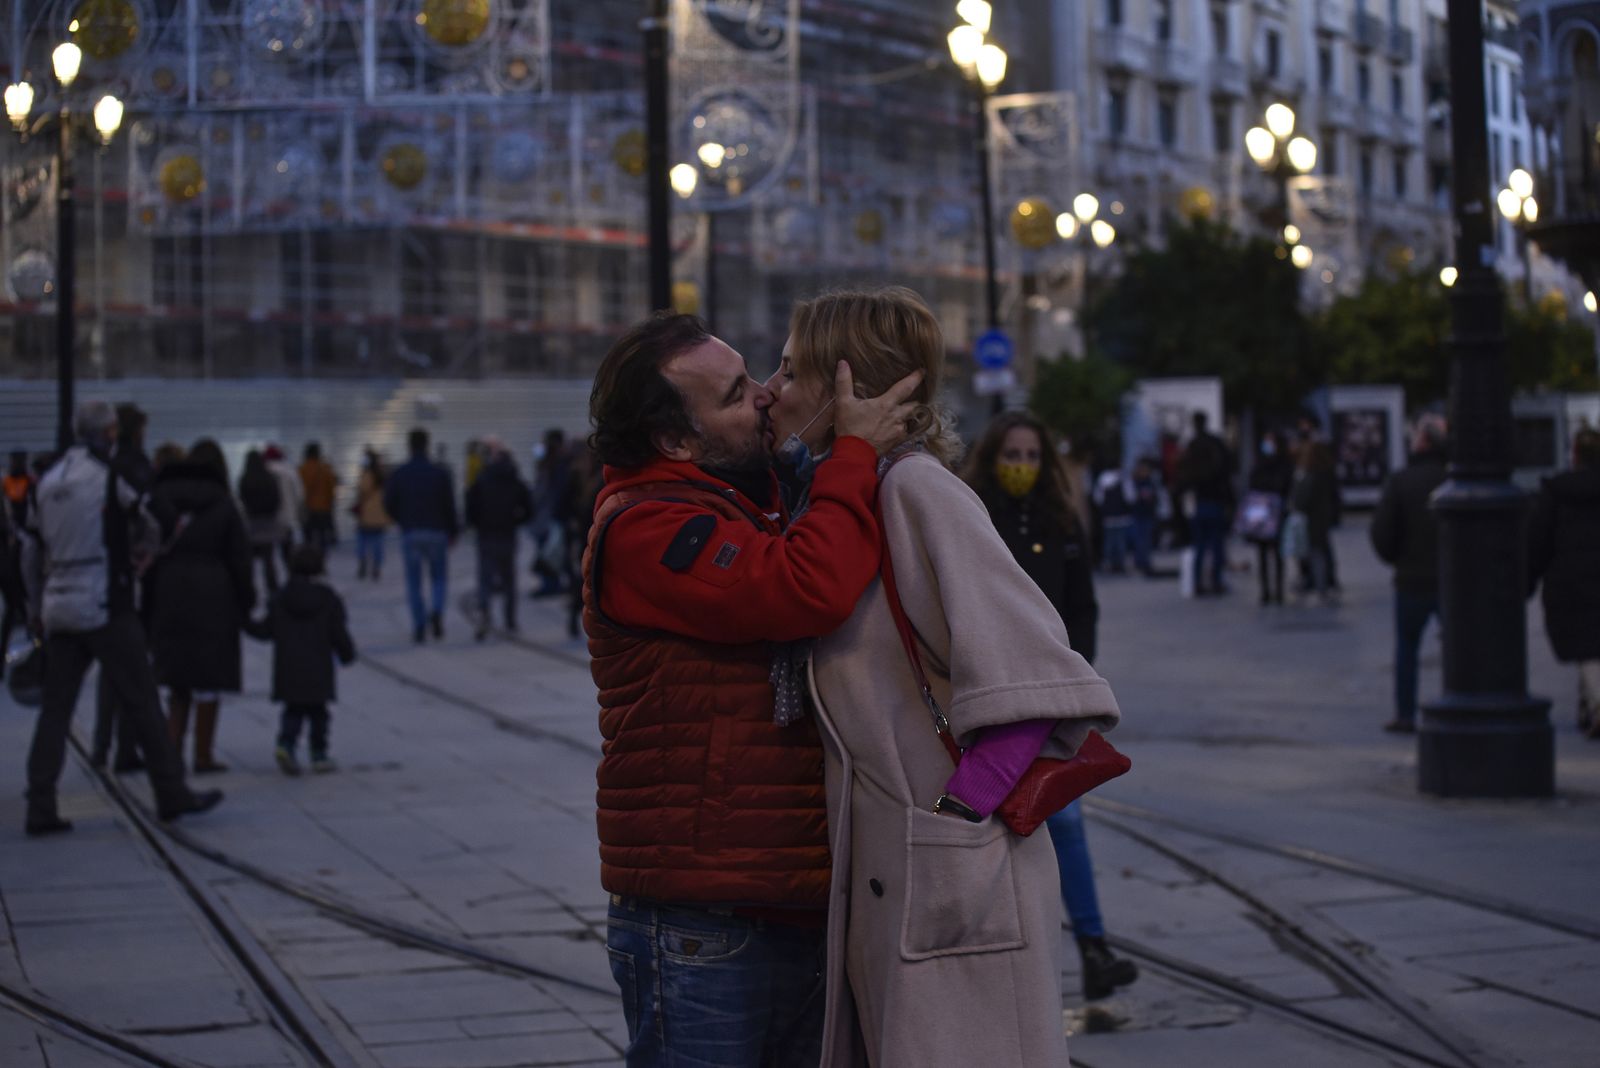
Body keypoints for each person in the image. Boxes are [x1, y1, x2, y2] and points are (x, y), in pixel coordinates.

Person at [769, 288, 1121, 1067]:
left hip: (947, 871)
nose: (773, 388)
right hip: (898, 874)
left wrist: (959, 813)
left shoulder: (917, 491)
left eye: (791, 370)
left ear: (845, 386)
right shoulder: (855, 489)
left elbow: (1038, 676)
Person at [584, 310, 921, 1067]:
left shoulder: (751, 496)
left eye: (761, 373)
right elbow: (806, 587)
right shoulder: (648, 530)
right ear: (676, 441)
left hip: (791, 899)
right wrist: (854, 456)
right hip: (705, 920)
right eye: (736, 393)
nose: (767, 395)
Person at [962, 410, 1139, 1002]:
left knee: (1062, 818)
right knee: (997, 822)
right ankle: (1035, 954)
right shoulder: (972, 514)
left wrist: (1074, 672)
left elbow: (1083, 603)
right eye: (1012, 454)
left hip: (1051, 695)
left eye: (1032, 456)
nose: (1022, 466)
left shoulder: (1062, 520)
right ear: (993, 456)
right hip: (991, 691)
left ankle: (1091, 947)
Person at [19, 400, 223, 836]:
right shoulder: (109, 477)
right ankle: (171, 792)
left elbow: (31, 550)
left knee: (55, 710)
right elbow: (156, 520)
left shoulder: (48, 480)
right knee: (142, 701)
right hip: (105, 600)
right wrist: (143, 556)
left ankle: (40, 803)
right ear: (110, 433)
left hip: (59, 604)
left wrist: (36, 607)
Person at [145, 439, 255, 773]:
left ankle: (171, 751)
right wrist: (245, 600)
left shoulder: (160, 498)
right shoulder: (223, 503)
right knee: (209, 680)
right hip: (214, 594)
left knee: (177, 682)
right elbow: (240, 557)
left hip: (169, 591)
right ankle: (203, 754)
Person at [246, 544, 356, 775]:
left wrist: (244, 622)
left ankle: (286, 744)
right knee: (319, 713)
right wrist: (347, 654)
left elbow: (266, 630)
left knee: (292, 710)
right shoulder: (328, 598)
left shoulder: (281, 598)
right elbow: (338, 632)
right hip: (319, 667)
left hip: (288, 666)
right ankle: (319, 753)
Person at [1369, 415, 1448, 734]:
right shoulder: (1452, 478)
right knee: (1455, 645)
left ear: (1423, 443)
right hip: (1449, 580)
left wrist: (1397, 559)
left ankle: (1405, 712)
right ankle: (1456, 698)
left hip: (1411, 578)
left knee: (1407, 647)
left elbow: (1382, 531)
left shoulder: (1402, 481)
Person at [1527, 427, 1600, 737]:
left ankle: (1594, 705)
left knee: (1586, 647)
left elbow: (1539, 541)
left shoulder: (1558, 492)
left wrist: (1528, 578)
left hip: (1571, 583)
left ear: (1574, 456)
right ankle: (1589, 706)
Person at [384, 428, 458, 643]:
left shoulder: (400, 473)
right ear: (427, 444)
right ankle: (436, 610)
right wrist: (453, 530)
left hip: (411, 531)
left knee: (414, 582)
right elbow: (449, 505)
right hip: (437, 531)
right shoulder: (439, 472)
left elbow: (389, 503)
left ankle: (418, 625)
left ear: (409, 445)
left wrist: (402, 519)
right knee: (439, 577)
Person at [464, 437, 533, 639]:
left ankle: (485, 614)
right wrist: (517, 520)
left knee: (485, 578)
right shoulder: (515, 480)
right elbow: (529, 508)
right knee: (509, 579)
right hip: (507, 534)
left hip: (486, 535)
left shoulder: (482, 479)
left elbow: (470, 507)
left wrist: (476, 524)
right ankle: (510, 619)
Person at [1178, 410, 1234, 595]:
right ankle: (1215, 581)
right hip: (1214, 500)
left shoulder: (1193, 446)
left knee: (1201, 545)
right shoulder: (1213, 444)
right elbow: (1226, 472)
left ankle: (1198, 582)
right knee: (1215, 544)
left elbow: (1184, 476)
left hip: (1201, 500)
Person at [1244, 430, 1294, 606]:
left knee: (1275, 553)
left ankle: (1277, 590)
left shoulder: (1282, 464)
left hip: (1275, 512)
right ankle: (1266, 590)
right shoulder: (1262, 463)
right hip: (1263, 512)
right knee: (1264, 553)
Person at [1288, 439, 1339, 605]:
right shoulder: (1327, 472)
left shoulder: (1308, 475)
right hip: (1322, 519)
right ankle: (1323, 584)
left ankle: (1318, 585)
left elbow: (1302, 499)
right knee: (1321, 552)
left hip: (1310, 520)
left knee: (1313, 554)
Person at [238, 449, 283, 597]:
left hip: (251, 523)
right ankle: (273, 588)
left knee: (249, 560)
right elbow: (277, 499)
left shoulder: (244, 479)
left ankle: (248, 588)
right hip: (268, 522)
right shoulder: (270, 478)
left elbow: (242, 500)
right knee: (268, 559)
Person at [262, 444, 303, 565]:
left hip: (268, 518)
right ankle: (291, 576)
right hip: (287, 518)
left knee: (268, 555)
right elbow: (299, 494)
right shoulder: (290, 472)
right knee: (287, 550)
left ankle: (271, 580)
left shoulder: (262, 472)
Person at [353, 448, 390, 581]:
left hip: (366, 514)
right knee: (378, 543)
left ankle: (363, 564)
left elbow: (361, 491)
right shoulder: (383, 475)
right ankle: (376, 567)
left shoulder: (366, 475)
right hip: (380, 515)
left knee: (363, 541)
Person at [1092, 462, 1133, 574]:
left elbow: (1098, 498)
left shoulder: (1102, 479)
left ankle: (1109, 563)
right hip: (1121, 516)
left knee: (1109, 542)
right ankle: (1119, 564)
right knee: (1120, 542)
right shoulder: (1123, 479)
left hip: (1108, 516)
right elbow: (1130, 497)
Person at [298, 442, 339, 550]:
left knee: (308, 536)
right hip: (323, 509)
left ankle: (309, 558)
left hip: (308, 508)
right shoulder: (325, 468)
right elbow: (331, 488)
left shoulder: (302, 469)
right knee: (322, 536)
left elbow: (299, 490)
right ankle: (321, 558)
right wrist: (330, 504)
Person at [1128, 456, 1160, 575]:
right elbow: (1131, 498)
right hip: (1138, 514)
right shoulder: (1134, 482)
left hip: (1147, 514)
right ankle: (1139, 561)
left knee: (1146, 540)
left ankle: (1145, 561)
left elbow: (1154, 498)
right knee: (1139, 540)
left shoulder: (1150, 482)